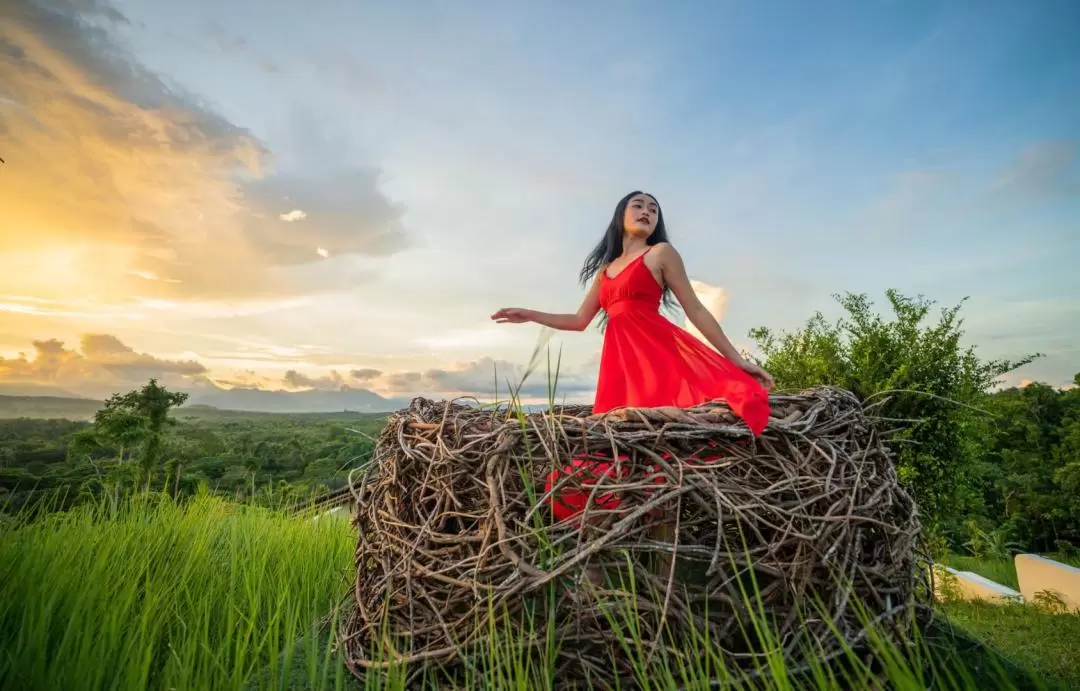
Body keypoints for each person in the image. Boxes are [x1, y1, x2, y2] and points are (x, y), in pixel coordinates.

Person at [491, 190, 774, 523]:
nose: (647, 211)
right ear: (620, 216)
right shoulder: (605, 271)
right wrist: (531, 314)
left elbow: (695, 309)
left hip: (657, 356)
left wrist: (734, 359)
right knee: (612, 447)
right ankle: (614, 532)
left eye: (654, 209)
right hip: (621, 366)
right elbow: (580, 320)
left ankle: (663, 525)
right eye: (638, 205)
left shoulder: (661, 253)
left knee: (657, 439)